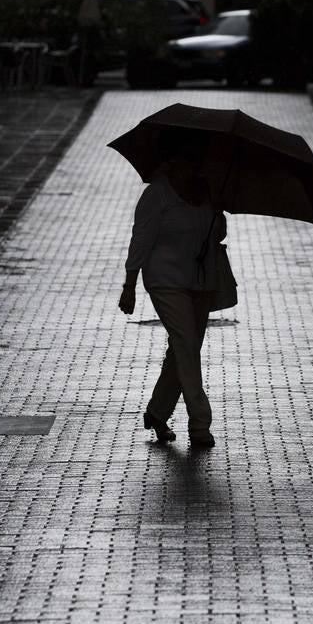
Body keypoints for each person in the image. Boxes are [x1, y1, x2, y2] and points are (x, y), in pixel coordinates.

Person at [118, 142, 227, 447]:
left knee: (182, 350)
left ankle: (156, 413)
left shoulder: (208, 193)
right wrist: (130, 285)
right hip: (165, 280)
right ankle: (200, 425)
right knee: (186, 345)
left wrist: (216, 210)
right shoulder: (157, 194)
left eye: (196, 164)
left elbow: (218, 233)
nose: (192, 169)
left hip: (201, 281)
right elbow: (140, 240)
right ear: (171, 164)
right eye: (186, 162)